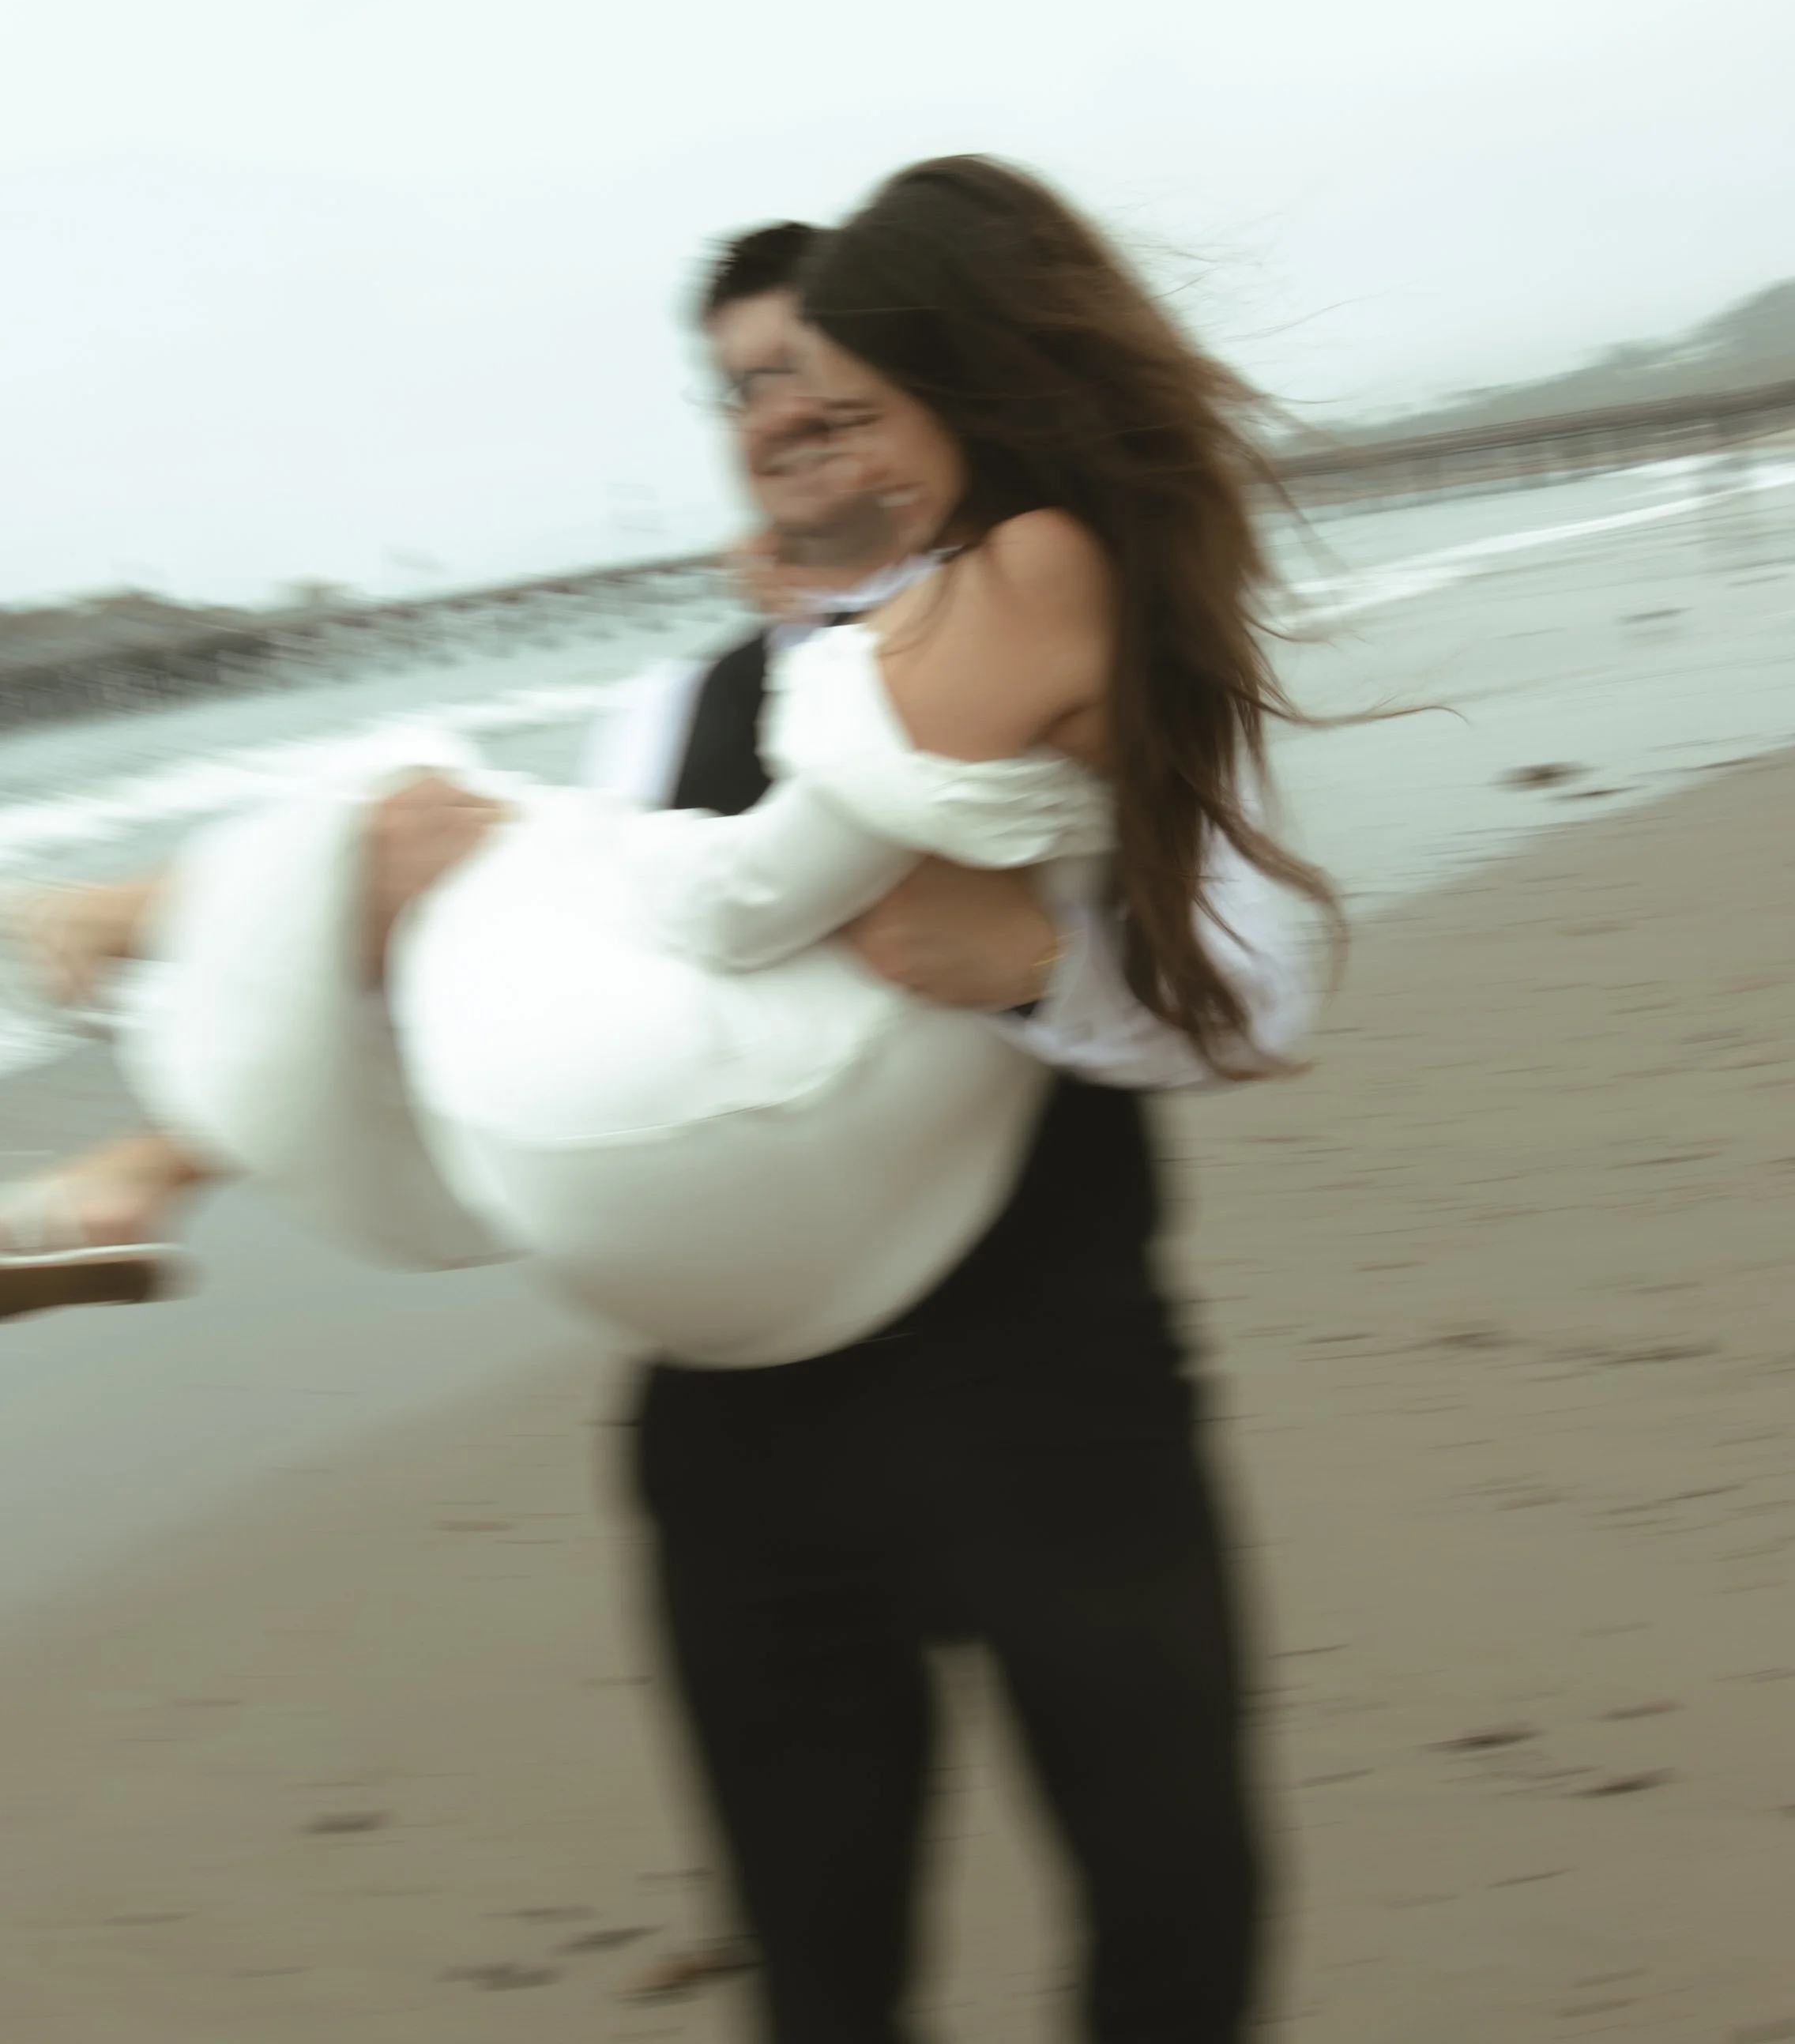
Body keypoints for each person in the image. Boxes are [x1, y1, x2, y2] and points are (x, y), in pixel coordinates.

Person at [1, 156, 1329, 2038]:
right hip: (740, 1445)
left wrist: (1036, 967)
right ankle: (136, 1145)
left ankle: (127, 1051)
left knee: (1174, 1892)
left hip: (1047, 1389)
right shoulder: (674, 702)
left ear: (924, 385)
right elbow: (558, 989)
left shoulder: (1071, 621)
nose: (775, 416)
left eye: (813, 373)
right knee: (816, 1956)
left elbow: (1265, 984)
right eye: (737, 389)